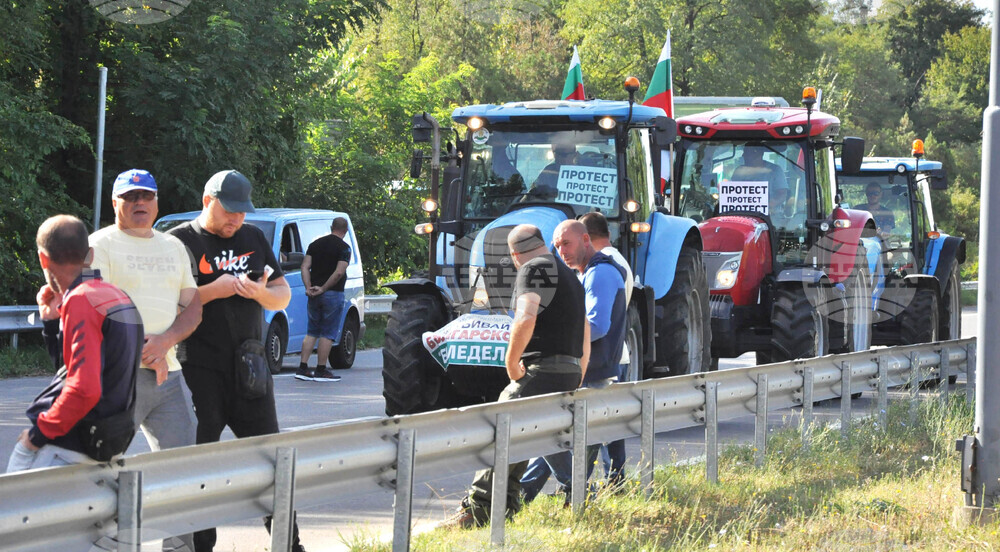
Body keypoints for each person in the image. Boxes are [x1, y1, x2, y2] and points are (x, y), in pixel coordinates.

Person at [167, 170, 302, 552]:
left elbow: (282, 295)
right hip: (197, 369)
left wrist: (259, 292)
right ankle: (198, 547)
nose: (236, 220)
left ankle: (289, 545)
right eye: (229, 211)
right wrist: (214, 290)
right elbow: (168, 304)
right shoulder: (179, 242)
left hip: (250, 368)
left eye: (242, 212)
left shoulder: (254, 237)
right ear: (207, 201)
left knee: (272, 463)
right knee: (197, 469)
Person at [441, 224, 588, 529]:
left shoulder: (533, 268)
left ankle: (477, 509)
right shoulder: (569, 275)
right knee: (519, 434)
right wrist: (579, 371)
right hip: (568, 369)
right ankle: (506, 507)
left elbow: (526, 315)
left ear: (514, 254)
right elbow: (584, 329)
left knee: (499, 426)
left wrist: (511, 361)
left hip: (543, 368)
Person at [89, 169, 203, 552]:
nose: (139, 202)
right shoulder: (99, 245)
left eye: (146, 196)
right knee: (101, 472)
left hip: (169, 378)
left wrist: (165, 341)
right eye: (130, 196)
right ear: (115, 203)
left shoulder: (173, 247)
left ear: (156, 202)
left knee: (183, 472)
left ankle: (178, 548)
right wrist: (143, 349)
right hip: (115, 379)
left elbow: (193, 306)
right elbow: (93, 308)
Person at [7, 215, 142, 473]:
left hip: (69, 444)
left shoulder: (82, 300)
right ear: (90, 255)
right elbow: (68, 372)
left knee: (13, 496)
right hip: (107, 442)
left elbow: (84, 389)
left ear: (43, 259)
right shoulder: (117, 295)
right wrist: (51, 322)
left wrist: (37, 436)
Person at [520, 219, 627, 503]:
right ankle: (559, 493)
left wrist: (558, 340)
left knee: (553, 435)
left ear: (586, 240)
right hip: (588, 372)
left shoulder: (600, 273)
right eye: (557, 246)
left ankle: (527, 493)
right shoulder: (586, 273)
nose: (562, 251)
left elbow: (598, 325)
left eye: (567, 243)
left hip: (592, 373)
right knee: (560, 437)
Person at [295, 217, 352, 382]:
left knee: (312, 331)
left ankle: (302, 368)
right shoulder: (344, 248)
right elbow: (339, 272)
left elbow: (305, 266)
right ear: (345, 230)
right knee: (328, 333)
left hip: (313, 294)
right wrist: (324, 288)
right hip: (332, 293)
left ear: (331, 227)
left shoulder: (315, 245)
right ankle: (321, 370)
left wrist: (309, 287)